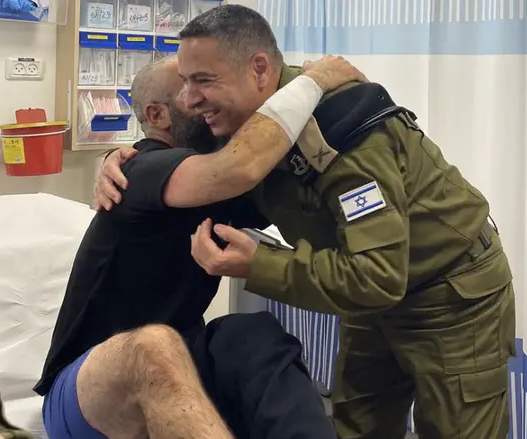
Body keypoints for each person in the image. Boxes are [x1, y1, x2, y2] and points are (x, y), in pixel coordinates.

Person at [98, 5, 517, 439]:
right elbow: (179, 153)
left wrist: (258, 265)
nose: (189, 99)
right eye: (185, 82)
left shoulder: (340, 129)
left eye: (203, 80)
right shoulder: (237, 118)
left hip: (449, 295)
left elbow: (378, 275)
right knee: (358, 426)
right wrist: (121, 161)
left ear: (259, 70)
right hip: (369, 291)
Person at [35, 54, 365, 439]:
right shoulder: (137, 171)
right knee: (153, 346)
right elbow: (237, 166)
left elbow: (273, 167)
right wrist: (314, 82)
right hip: (84, 389)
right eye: (188, 87)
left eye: (206, 83)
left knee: (254, 335)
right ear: (158, 115)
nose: (202, 97)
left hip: (182, 359)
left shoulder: (220, 185)